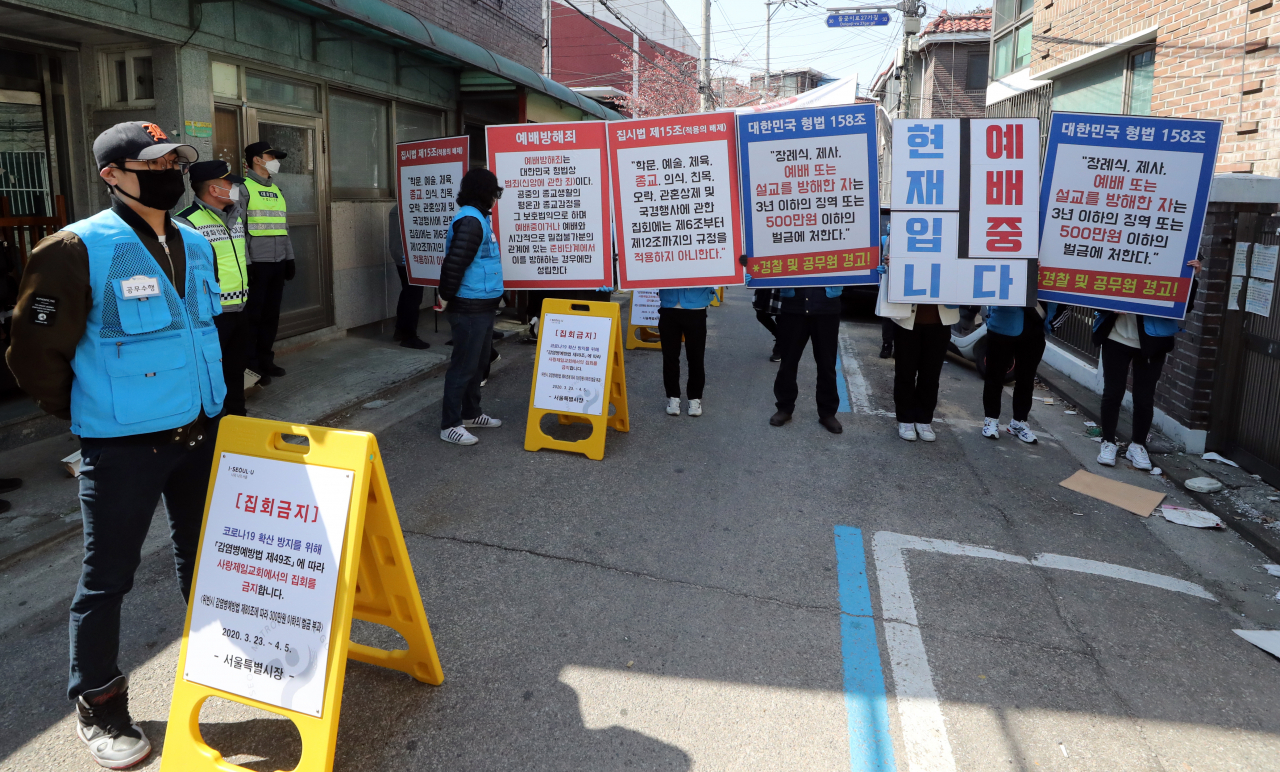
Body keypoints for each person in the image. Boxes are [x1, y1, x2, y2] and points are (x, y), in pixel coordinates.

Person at [7, 121, 225, 769]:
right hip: (123, 445)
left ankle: (221, 666)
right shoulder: (74, 248)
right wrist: (87, 413)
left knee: (206, 559)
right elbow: (32, 353)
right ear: (113, 174)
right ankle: (99, 705)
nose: (171, 170)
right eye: (154, 161)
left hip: (199, 431)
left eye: (176, 160)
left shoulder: (194, 240)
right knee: (107, 579)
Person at [1094, 259, 1201, 469]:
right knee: (1113, 393)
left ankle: (1138, 445)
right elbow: (1091, 294)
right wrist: (1109, 303)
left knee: (1144, 397)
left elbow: (1185, 306)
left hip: (1153, 340)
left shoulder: (1167, 262)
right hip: (1116, 337)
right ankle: (1108, 442)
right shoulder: (1113, 260)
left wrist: (1192, 278)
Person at [175, 160, 252, 415]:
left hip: (240, 308)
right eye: (230, 184)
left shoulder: (236, 217)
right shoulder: (186, 223)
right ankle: (213, 423)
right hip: (212, 315)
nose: (235, 189)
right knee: (210, 373)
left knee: (236, 368)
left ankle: (238, 419)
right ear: (213, 189)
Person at [437, 168, 505, 446]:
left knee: (478, 364)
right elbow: (455, 264)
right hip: (468, 305)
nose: (495, 197)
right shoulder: (470, 220)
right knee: (463, 366)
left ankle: (470, 413)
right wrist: (445, 297)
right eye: (493, 191)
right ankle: (450, 424)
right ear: (484, 192)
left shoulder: (478, 217)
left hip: (483, 304)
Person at [242, 141, 295, 385]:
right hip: (257, 264)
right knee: (252, 317)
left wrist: (290, 258)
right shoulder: (241, 189)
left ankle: (266, 360)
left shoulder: (277, 191)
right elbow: (236, 230)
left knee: (271, 316)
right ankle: (251, 368)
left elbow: (282, 228)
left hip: (278, 261)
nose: (275, 160)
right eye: (271, 156)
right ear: (257, 159)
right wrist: (247, 263)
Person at [769, 286, 845, 434]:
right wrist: (750, 269)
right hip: (793, 307)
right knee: (788, 362)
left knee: (826, 364)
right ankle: (784, 408)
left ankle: (827, 413)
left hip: (827, 308)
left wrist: (875, 267)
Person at [981, 303, 1054, 443]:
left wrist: (1052, 320)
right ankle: (991, 419)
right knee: (994, 377)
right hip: (1002, 324)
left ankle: (1019, 422)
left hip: (1035, 328)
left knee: (1026, 380)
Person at [890, 301, 959, 442]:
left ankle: (924, 420)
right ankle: (905, 419)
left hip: (941, 322)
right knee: (905, 372)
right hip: (906, 320)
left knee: (931, 375)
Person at [658, 287, 715, 416]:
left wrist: (739, 274)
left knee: (696, 356)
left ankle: (695, 398)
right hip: (669, 306)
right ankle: (673, 397)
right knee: (669, 356)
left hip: (696, 307)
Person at [387, 203, 430, 349]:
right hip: (408, 259)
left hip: (407, 258)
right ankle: (408, 336)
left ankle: (401, 331)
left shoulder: (400, 208)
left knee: (407, 294)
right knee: (413, 296)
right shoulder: (404, 208)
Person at [751, 288, 782, 362]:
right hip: (766, 287)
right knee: (761, 315)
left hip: (783, 287)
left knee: (782, 318)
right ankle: (781, 338)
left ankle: (779, 349)